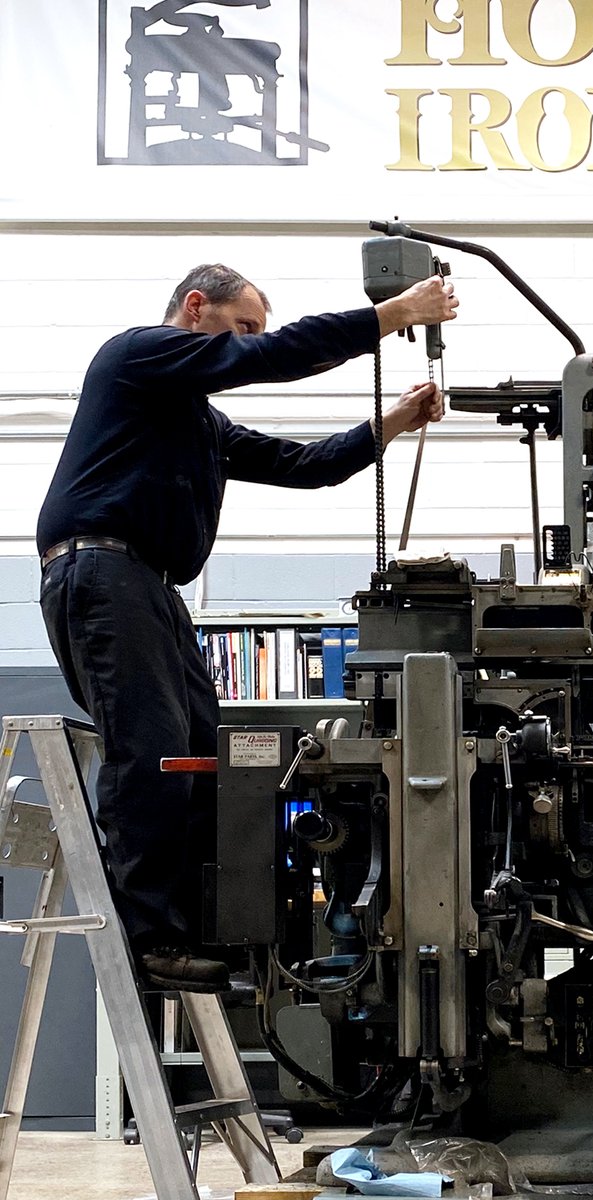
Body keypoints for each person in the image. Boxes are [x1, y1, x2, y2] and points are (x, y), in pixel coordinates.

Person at [36, 262, 458, 992]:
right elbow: (276, 357)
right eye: (241, 327)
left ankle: (200, 931)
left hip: (150, 591)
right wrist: (393, 315)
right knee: (153, 754)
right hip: (102, 573)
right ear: (196, 309)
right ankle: (149, 940)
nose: (249, 344)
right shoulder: (136, 355)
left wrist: (391, 424)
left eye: (254, 331)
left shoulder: (196, 420)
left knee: (208, 758)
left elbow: (307, 465)